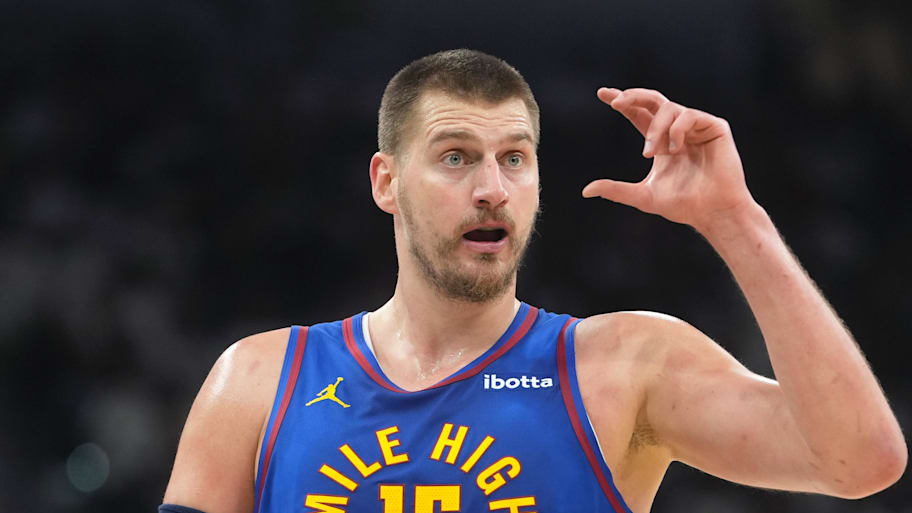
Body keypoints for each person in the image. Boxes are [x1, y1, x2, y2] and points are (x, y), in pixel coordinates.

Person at [161, 49, 906, 513]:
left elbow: (860, 461)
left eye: (514, 157)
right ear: (387, 182)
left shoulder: (621, 366)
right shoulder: (258, 380)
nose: (492, 187)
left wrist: (736, 222)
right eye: (455, 156)